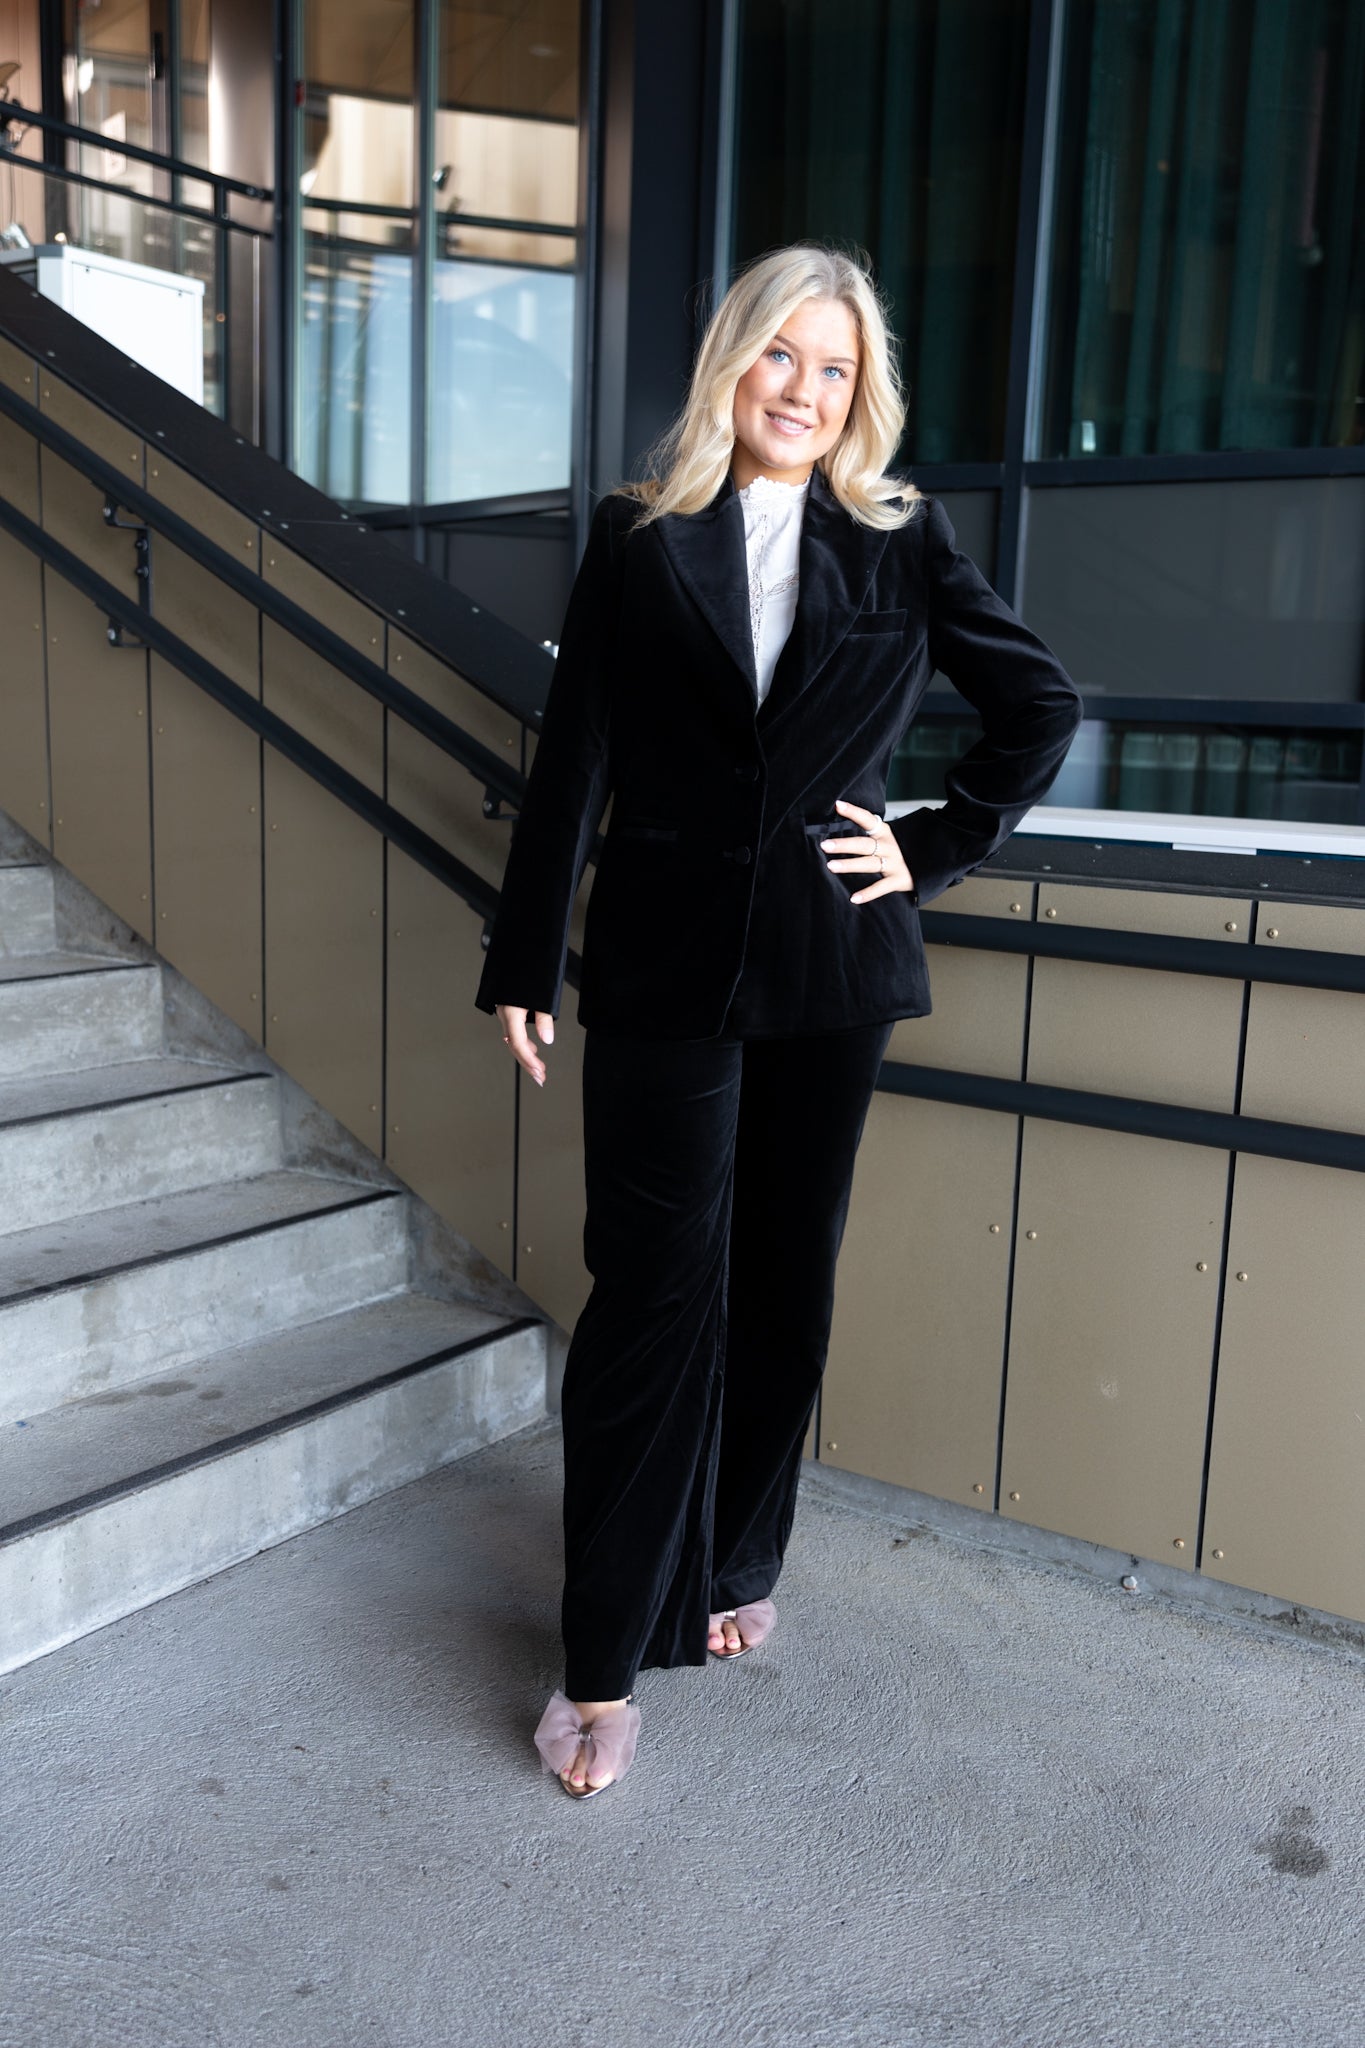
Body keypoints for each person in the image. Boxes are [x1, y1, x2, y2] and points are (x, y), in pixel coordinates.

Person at [474, 241, 1083, 1800]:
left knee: (782, 1280)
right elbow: (576, 756)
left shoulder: (897, 535)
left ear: (860, 391)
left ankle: (736, 1558)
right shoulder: (636, 536)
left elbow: (1038, 706)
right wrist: (523, 957)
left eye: (834, 367)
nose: (802, 390)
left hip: (832, 966)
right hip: (663, 965)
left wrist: (930, 845)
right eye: (779, 356)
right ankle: (603, 1656)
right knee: (650, 1294)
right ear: (730, 362)